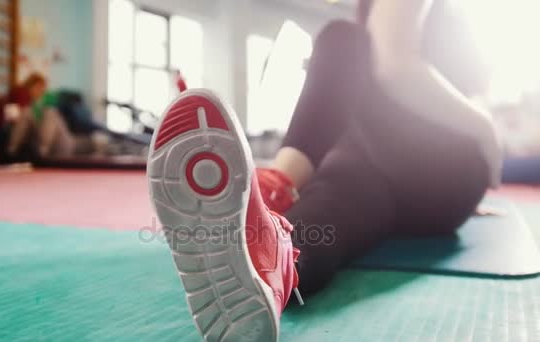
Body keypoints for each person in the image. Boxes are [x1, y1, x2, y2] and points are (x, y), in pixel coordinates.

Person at [147, 0, 502, 340]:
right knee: (318, 221)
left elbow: (395, 66)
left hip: (437, 161)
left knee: (344, 40)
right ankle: (274, 269)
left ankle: (276, 185)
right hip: (432, 192)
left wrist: (485, 129)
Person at [0, 73, 75, 159]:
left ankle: (37, 151)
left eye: (41, 87)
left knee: (49, 113)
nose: (39, 90)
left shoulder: (48, 100)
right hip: (29, 140)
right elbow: (12, 122)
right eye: (36, 87)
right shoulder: (24, 99)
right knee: (27, 114)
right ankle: (12, 151)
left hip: (56, 143)